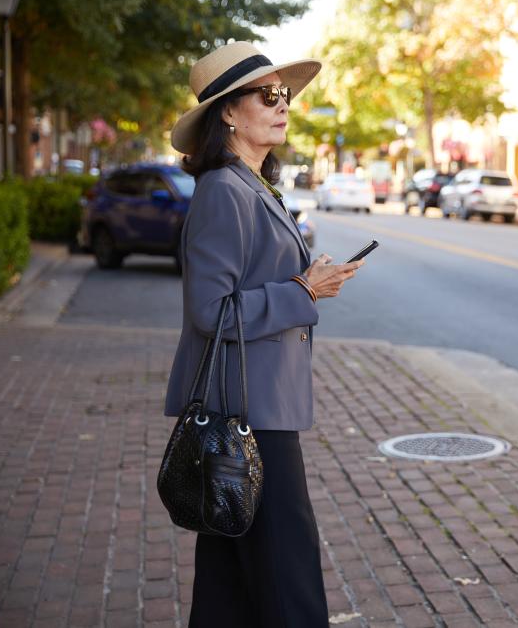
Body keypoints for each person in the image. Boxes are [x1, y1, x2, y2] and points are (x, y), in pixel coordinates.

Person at [164, 41, 361, 627]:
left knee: (228, 585)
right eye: (268, 96)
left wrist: (307, 282)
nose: (284, 105)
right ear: (228, 112)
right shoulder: (226, 190)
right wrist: (303, 292)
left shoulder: (251, 184)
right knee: (288, 574)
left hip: (251, 404)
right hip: (250, 413)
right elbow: (211, 310)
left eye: (286, 95)